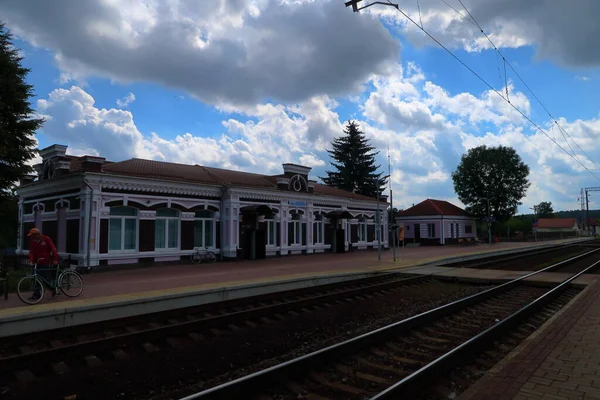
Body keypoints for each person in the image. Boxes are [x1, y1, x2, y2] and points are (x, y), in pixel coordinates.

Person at [27, 228, 59, 299]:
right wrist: (31, 260)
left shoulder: (46, 239)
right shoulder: (32, 241)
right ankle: (37, 293)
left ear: (37, 235)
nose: (32, 237)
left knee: (42, 277)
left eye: (33, 235)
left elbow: (53, 249)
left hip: (46, 261)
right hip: (37, 262)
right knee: (34, 277)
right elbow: (31, 252)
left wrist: (55, 259)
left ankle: (45, 290)